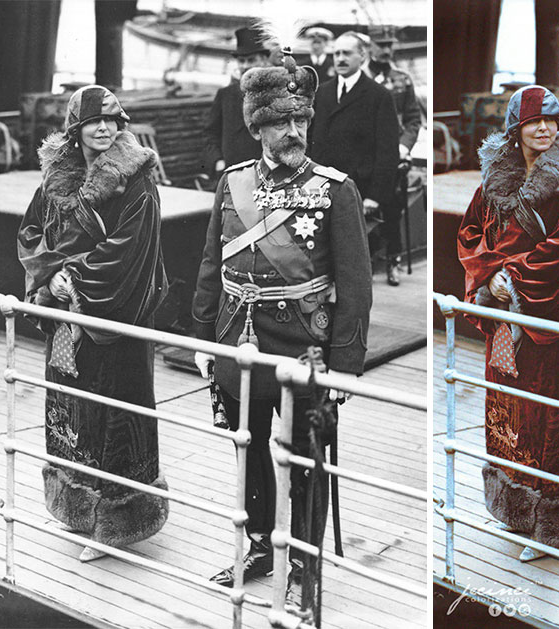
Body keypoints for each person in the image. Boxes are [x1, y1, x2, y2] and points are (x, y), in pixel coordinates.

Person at [191, 51, 372, 615]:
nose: (292, 132)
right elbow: (209, 265)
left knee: (303, 460)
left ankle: (303, 567)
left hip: (304, 347)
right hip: (236, 340)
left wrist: (343, 364)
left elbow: (357, 285)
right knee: (248, 454)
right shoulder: (232, 183)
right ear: (257, 128)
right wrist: (203, 339)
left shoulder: (335, 189)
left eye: (299, 120)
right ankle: (259, 547)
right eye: (278, 123)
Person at [457, 85, 559, 563]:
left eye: (551, 120)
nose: (544, 129)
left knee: (551, 416)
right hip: (506, 317)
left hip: (551, 321)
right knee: (510, 409)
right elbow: (471, 231)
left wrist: (512, 277)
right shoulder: (496, 179)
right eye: (533, 122)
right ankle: (517, 509)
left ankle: (555, 523)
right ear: (515, 129)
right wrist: (489, 276)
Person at [17, 85, 169, 563]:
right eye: (93, 122)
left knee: (112, 415)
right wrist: (50, 276)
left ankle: (117, 523)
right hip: (67, 316)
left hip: (110, 317)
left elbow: (132, 250)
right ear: (75, 129)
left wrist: (74, 278)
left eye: (111, 120)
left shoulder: (137, 179)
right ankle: (79, 510)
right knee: (71, 412)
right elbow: (32, 232)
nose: (104, 129)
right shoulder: (56, 179)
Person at [308, 31, 399, 272]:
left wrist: (376, 195)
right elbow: (310, 140)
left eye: (346, 53)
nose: (340, 59)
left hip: (359, 188)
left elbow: (387, 150)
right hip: (321, 187)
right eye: (336, 53)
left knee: (352, 260)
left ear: (362, 55)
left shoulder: (379, 96)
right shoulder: (322, 93)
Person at [364, 25, 424, 286]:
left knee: (392, 212)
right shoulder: (360, 77)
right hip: (364, 158)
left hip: (394, 158)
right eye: (381, 45)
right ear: (370, 47)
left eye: (389, 45)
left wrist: (403, 147)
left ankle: (393, 262)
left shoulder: (403, 79)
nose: (386, 50)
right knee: (357, 213)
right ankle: (362, 262)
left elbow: (413, 120)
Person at [203, 26, 271, 181]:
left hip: (267, 175)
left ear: (264, 61)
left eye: (251, 60)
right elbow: (210, 133)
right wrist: (217, 161)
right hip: (231, 174)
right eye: (242, 61)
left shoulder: (274, 93)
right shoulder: (225, 95)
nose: (246, 66)